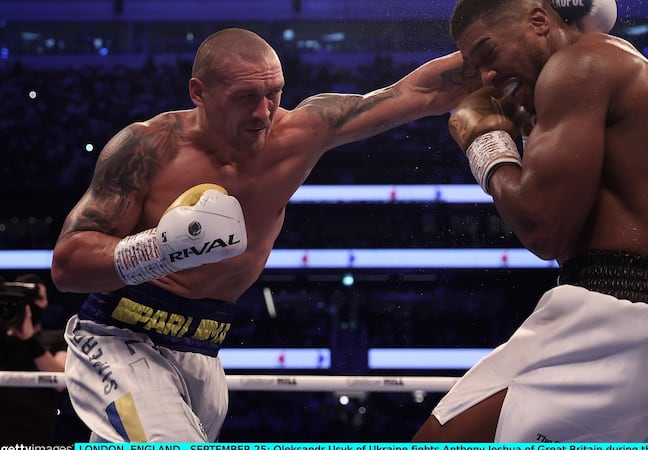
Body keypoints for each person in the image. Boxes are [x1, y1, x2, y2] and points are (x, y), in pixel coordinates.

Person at [49, 27, 481, 443]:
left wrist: (517, 32)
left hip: (204, 348)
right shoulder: (147, 148)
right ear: (198, 92)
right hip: (119, 334)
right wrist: (159, 250)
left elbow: (419, 92)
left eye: (274, 93)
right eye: (244, 98)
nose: (263, 112)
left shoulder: (301, 132)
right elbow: (67, 264)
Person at [413, 0, 648, 442]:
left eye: (488, 54)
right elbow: (591, 237)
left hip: (621, 321)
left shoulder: (577, 64)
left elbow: (545, 229)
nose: (487, 77)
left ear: (538, 20)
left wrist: (486, 144)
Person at [0, 273, 68, 443]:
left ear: (46, 302)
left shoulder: (58, 338)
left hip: (40, 433)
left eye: (38, 297)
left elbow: (60, 379)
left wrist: (28, 339)